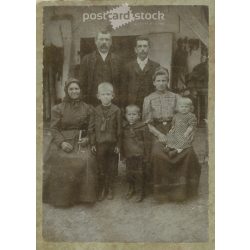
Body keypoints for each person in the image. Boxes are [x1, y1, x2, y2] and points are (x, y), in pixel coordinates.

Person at [143, 68, 201, 202]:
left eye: (164, 80)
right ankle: (162, 192)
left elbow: (188, 116)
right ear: (154, 82)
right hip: (157, 129)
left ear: (167, 81)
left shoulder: (176, 97)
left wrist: (190, 131)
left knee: (187, 151)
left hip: (176, 127)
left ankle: (181, 191)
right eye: (158, 81)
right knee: (158, 153)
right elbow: (147, 123)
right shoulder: (148, 99)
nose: (161, 83)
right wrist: (159, 135)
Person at [43, 78, 97, 207]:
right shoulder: (58, 108)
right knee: (60, 158)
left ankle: (83, 197)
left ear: (80, 90)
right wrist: (61, 143)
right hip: (62, 139)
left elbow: (92, 128)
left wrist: (88, 139)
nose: (74, 91)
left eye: (76, 89)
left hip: (80, 140)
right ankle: (62, 199)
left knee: (86, 158)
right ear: (67, 91)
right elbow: (54, 129)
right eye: (71, 89)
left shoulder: (88, 108)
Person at [90, 82, 122, 201]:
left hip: (112, 143)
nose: (105, 97)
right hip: (100, 144)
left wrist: (118, 144)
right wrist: (93, 143)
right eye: (103, 94)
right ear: (98, 96)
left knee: (111, 166)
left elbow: (119, 129)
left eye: (108, 94)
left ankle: (110, 188)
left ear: (113, 96)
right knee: (101, 166)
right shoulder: (95, 110)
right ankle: (102, 187)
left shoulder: (117, 110)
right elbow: (91, 128)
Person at [79, 30, 122, 106]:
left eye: (107, 39)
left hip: (112, 103)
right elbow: (82, 83)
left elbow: (121, 84)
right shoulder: (87, 59)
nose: (104, 42)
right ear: (95, 41)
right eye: (101, 39)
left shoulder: (118, 60)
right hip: (92, 102)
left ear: (111, 42)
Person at [121, 36, 160, 109]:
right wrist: (124, 107)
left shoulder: (156, 66)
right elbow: (123, 90)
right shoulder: (128, 67)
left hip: (150, 105)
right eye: (140, 46)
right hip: (132, 106)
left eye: (145, 46)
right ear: (135, 49)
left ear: (149, 48)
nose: (142, 49)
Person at [122, 105, 150, 202]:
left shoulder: (143, 127)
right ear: (125, 115)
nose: (132, 116)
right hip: (129, 155)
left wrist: (146, 156)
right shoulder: (124, 127)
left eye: (134, 114)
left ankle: (141, 191)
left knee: (140, 174)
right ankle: (131, 188)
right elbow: (123, 142)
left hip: (140, 155)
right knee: (129, 173)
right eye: (129, 114)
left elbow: (147, 142)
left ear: (139, 115)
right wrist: (123, 155)